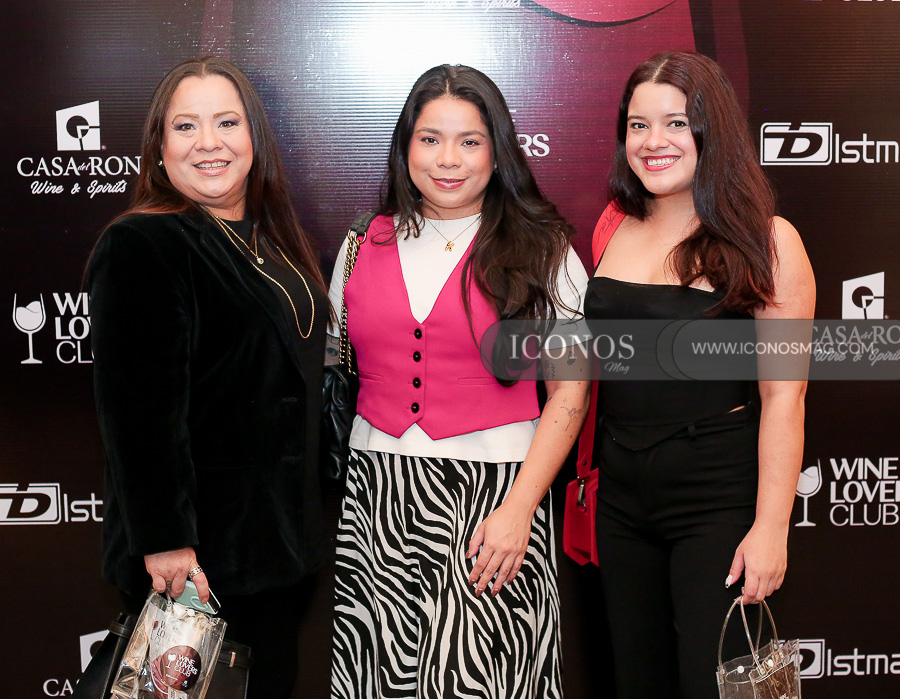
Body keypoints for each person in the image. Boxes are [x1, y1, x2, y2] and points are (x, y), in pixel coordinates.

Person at [328, 64, 590, 699]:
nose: (448, 159)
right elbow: (335, 364)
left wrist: (521, 509)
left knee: (485, 680)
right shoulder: (361, 244)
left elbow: (571, 392)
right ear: (405, 147)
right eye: (430, 139)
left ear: (497, 153)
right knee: (379, 678)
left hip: (494, 502)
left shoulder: (544, 249)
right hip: (376, 501)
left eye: (470, 141)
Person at [88, 56, 329, 699]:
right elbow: (138, 413)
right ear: (159, 147)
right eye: (185, 126)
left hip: (275, 549)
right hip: (196, 561)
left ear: (253, 137)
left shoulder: (271, 240)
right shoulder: (144, 244)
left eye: (226, 122)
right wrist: (167, 543)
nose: (208, 143)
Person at [585, 50, 816, 698]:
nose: (652, 141)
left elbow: (784, 395)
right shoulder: (613, 225)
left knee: (716, 684)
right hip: (621, 495)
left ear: (712, 130)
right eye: (638, 125)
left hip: (717, 496)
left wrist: (771, 527)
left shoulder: (767, 240)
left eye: (675, 123)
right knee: (637, 679)